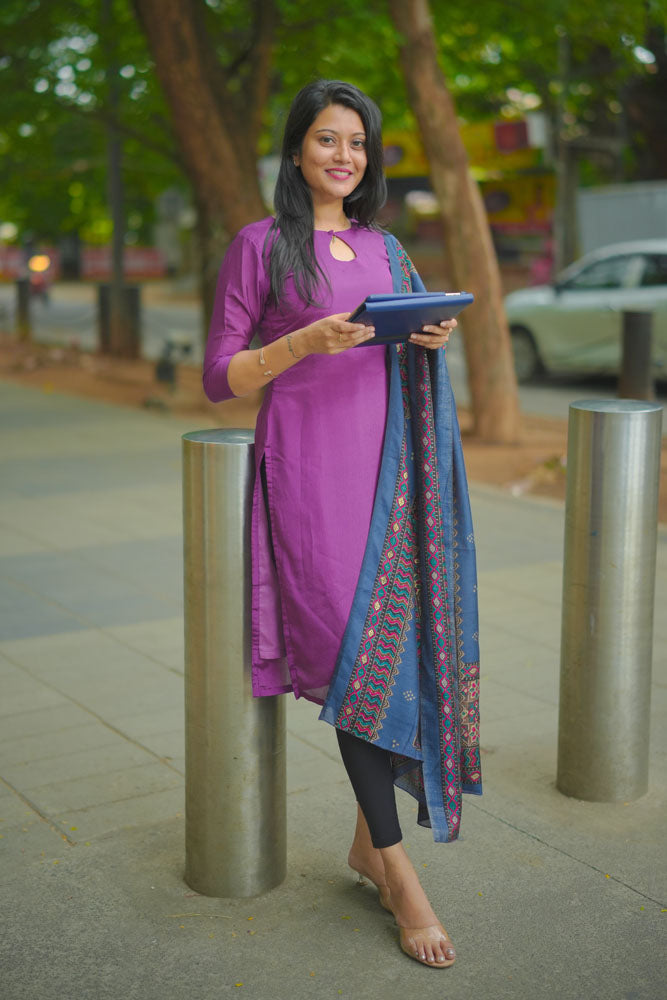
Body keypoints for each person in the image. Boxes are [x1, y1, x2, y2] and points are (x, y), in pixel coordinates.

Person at [203, 79, 481, 969]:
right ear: (296, 150)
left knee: (398, 655)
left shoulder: (385, 247)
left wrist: (428, 336)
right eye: (327, 139)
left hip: (395, 473)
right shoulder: (259, 246)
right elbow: (219, 377)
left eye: (357, 142)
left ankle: (367, 845)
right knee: (354, 663)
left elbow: (398, 336)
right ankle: (399, 875)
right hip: (310, 475)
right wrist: (300, 343)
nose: (344, 156)